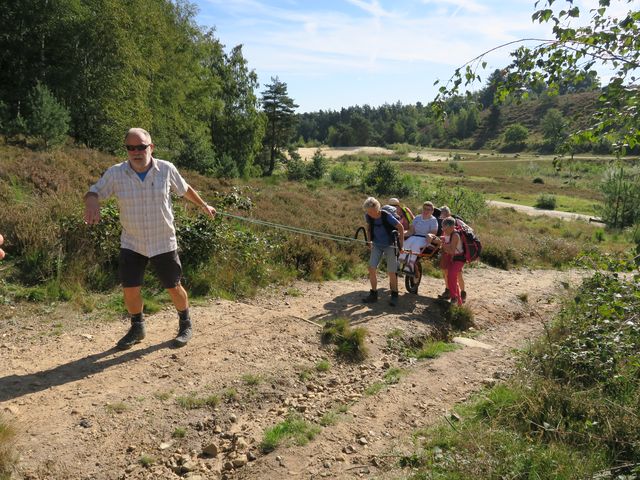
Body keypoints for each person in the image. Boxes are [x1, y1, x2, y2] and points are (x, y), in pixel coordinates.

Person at [84, 128, 216, 350]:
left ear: (151, 147)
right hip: (132, 242)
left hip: (162, 240)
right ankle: (137, 327)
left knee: (173, 287)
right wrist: (91, 201)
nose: (136, 151)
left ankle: (185, 323)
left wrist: (204, 206)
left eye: (141, 146)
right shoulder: (116, 173)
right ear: (126, 149)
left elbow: (185, 189)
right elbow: (94, 191)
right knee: (130, 289)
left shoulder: (166, 169)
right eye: (131, 147)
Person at [362, 196, 405, 307]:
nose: (369, 214)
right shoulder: (368, 216)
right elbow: (369, 228)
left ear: (377, 207)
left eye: (371, 211)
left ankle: (394, 295)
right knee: (371, 268)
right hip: (377, 244)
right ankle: (374, 294)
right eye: (368, 211)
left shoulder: (386, 216)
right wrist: (369, 241)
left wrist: (401, 244)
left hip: (390, 245)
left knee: (391, 271)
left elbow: (400, 227)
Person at [398, 201, 439, 274]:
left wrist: (429, 236)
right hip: (415, 236)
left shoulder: (433, 220)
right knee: (406, 243)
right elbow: (411, 231)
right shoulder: (417, 218)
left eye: (428, 209)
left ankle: (410, 265)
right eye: (425, 209)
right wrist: (401, 234)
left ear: (432, 211)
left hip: (425, 238)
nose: (426, 211)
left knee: (415, 245)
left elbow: (433, 233)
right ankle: (401, 261)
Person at [438, 205, 468, 301]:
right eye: (442, 215)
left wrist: (442, 243)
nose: (443, 216)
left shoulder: (455, 224)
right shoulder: (444, 225)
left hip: (456, 255)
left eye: (445, 214)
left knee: (456, 274)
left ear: (449, 213)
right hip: (447, 253)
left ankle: (461, 294)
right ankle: (449, 291)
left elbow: (451, 246)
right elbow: (443, 238)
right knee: (445, 272)